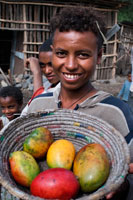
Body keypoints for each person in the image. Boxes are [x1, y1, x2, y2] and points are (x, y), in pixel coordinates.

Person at [21, 6, 133, 199]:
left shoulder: (115, 112)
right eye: (62, 53)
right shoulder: (38, 106)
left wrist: (119, 186)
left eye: (83, 54)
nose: (71, 65)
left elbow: (128, 173)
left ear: (99, 56)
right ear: (53, 52)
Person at [0, 86, 23, 200]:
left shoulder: (24, 119)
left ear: (20, 104)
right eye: (3, 108)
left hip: (20, 160)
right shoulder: (3, 121)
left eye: (11, 107)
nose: (6, 111)